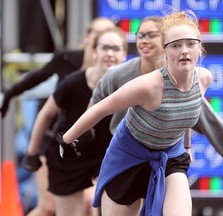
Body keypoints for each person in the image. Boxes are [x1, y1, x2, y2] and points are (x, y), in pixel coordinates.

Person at [58, 11, 212, 216]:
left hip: (169, 157)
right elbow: (100, 108)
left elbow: (185, 115)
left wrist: (187, 147)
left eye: (190, 44)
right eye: (176, 45)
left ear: (199, 48)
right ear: (165, 52)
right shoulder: (148, 86)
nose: (184, 51)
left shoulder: (203, 79)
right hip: (129, 156)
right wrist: (67, 141)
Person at [90, 17, 223, 183]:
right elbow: (94, 110)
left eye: (152, 35)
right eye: (140, 35)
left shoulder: (179, 80)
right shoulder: (118, 75)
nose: (144, 40)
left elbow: (209, 123)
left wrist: (188, 148)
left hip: (164, 154)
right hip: (125, 152)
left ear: (166, 41)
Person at [23, 27, 128, 216]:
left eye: (116, 48)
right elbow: (45, 115)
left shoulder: (128, 86)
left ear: (124, 55)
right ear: (95, 52)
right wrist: (31, 153)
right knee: (53, 209)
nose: (110, 54)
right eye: (105, 48)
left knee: (92, 205)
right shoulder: (73, 83)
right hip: (69, 158)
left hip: (103, 158)